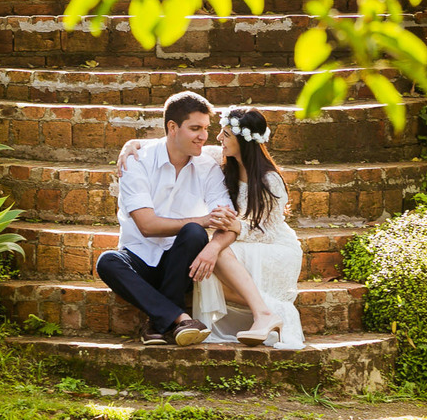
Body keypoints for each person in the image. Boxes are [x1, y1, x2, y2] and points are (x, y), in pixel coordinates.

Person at [119, 107, 306, 349]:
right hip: (239, 239)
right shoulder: (220, 157)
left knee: (215, 252)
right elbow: (173, 141)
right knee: (209, 254)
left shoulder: (270, 181)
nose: (218, 138)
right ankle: (263, 310)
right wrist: (131, 144)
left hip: (273, 246)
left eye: (226, 134)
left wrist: (235, 227)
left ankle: (264, 314)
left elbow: (268, 231)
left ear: (242, 141)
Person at [96, 91, 240, 346]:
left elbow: (228, 221)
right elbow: (147, 226)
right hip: (139, 259)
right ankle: (180, 319)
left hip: (181, 264)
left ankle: (157, 320)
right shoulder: (137, 160)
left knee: (195, 233)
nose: (204, 136)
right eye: (195, 128)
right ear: (172, 127)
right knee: (107, 261)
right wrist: (205, 220)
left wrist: (215, 246)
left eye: (206, 129)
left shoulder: (208, 164)